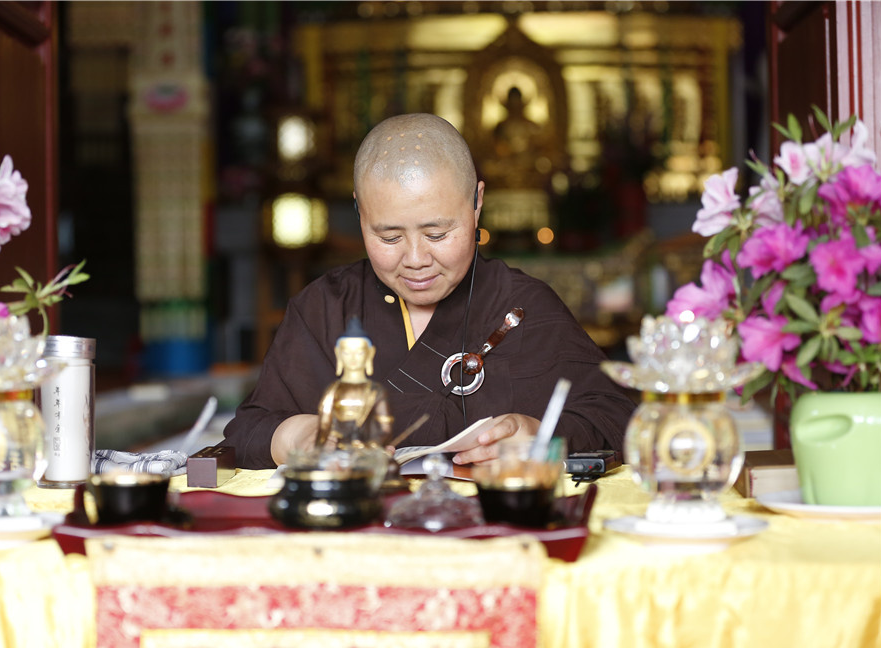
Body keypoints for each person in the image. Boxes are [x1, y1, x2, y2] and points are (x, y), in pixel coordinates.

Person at [226, 113, 635, 469]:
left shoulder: (522, 305)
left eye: (437, 233)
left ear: (477, 203)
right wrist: (298, 436)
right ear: (359, 212)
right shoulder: (326, 308)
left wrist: (542, 437)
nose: (416, 259)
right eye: (388, 238)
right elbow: (247, 429)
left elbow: (618, 418)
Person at [314, 317, 394, 451]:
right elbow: (324, 426)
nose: (353, 358)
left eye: (359, 352)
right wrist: (319, 450)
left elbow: (385, 428)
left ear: (370, 353)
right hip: (339, 450)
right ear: (338, 353)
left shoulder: (375, 391)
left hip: (366, 452)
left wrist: (371, 445)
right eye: (346, 352)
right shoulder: (333, 390)